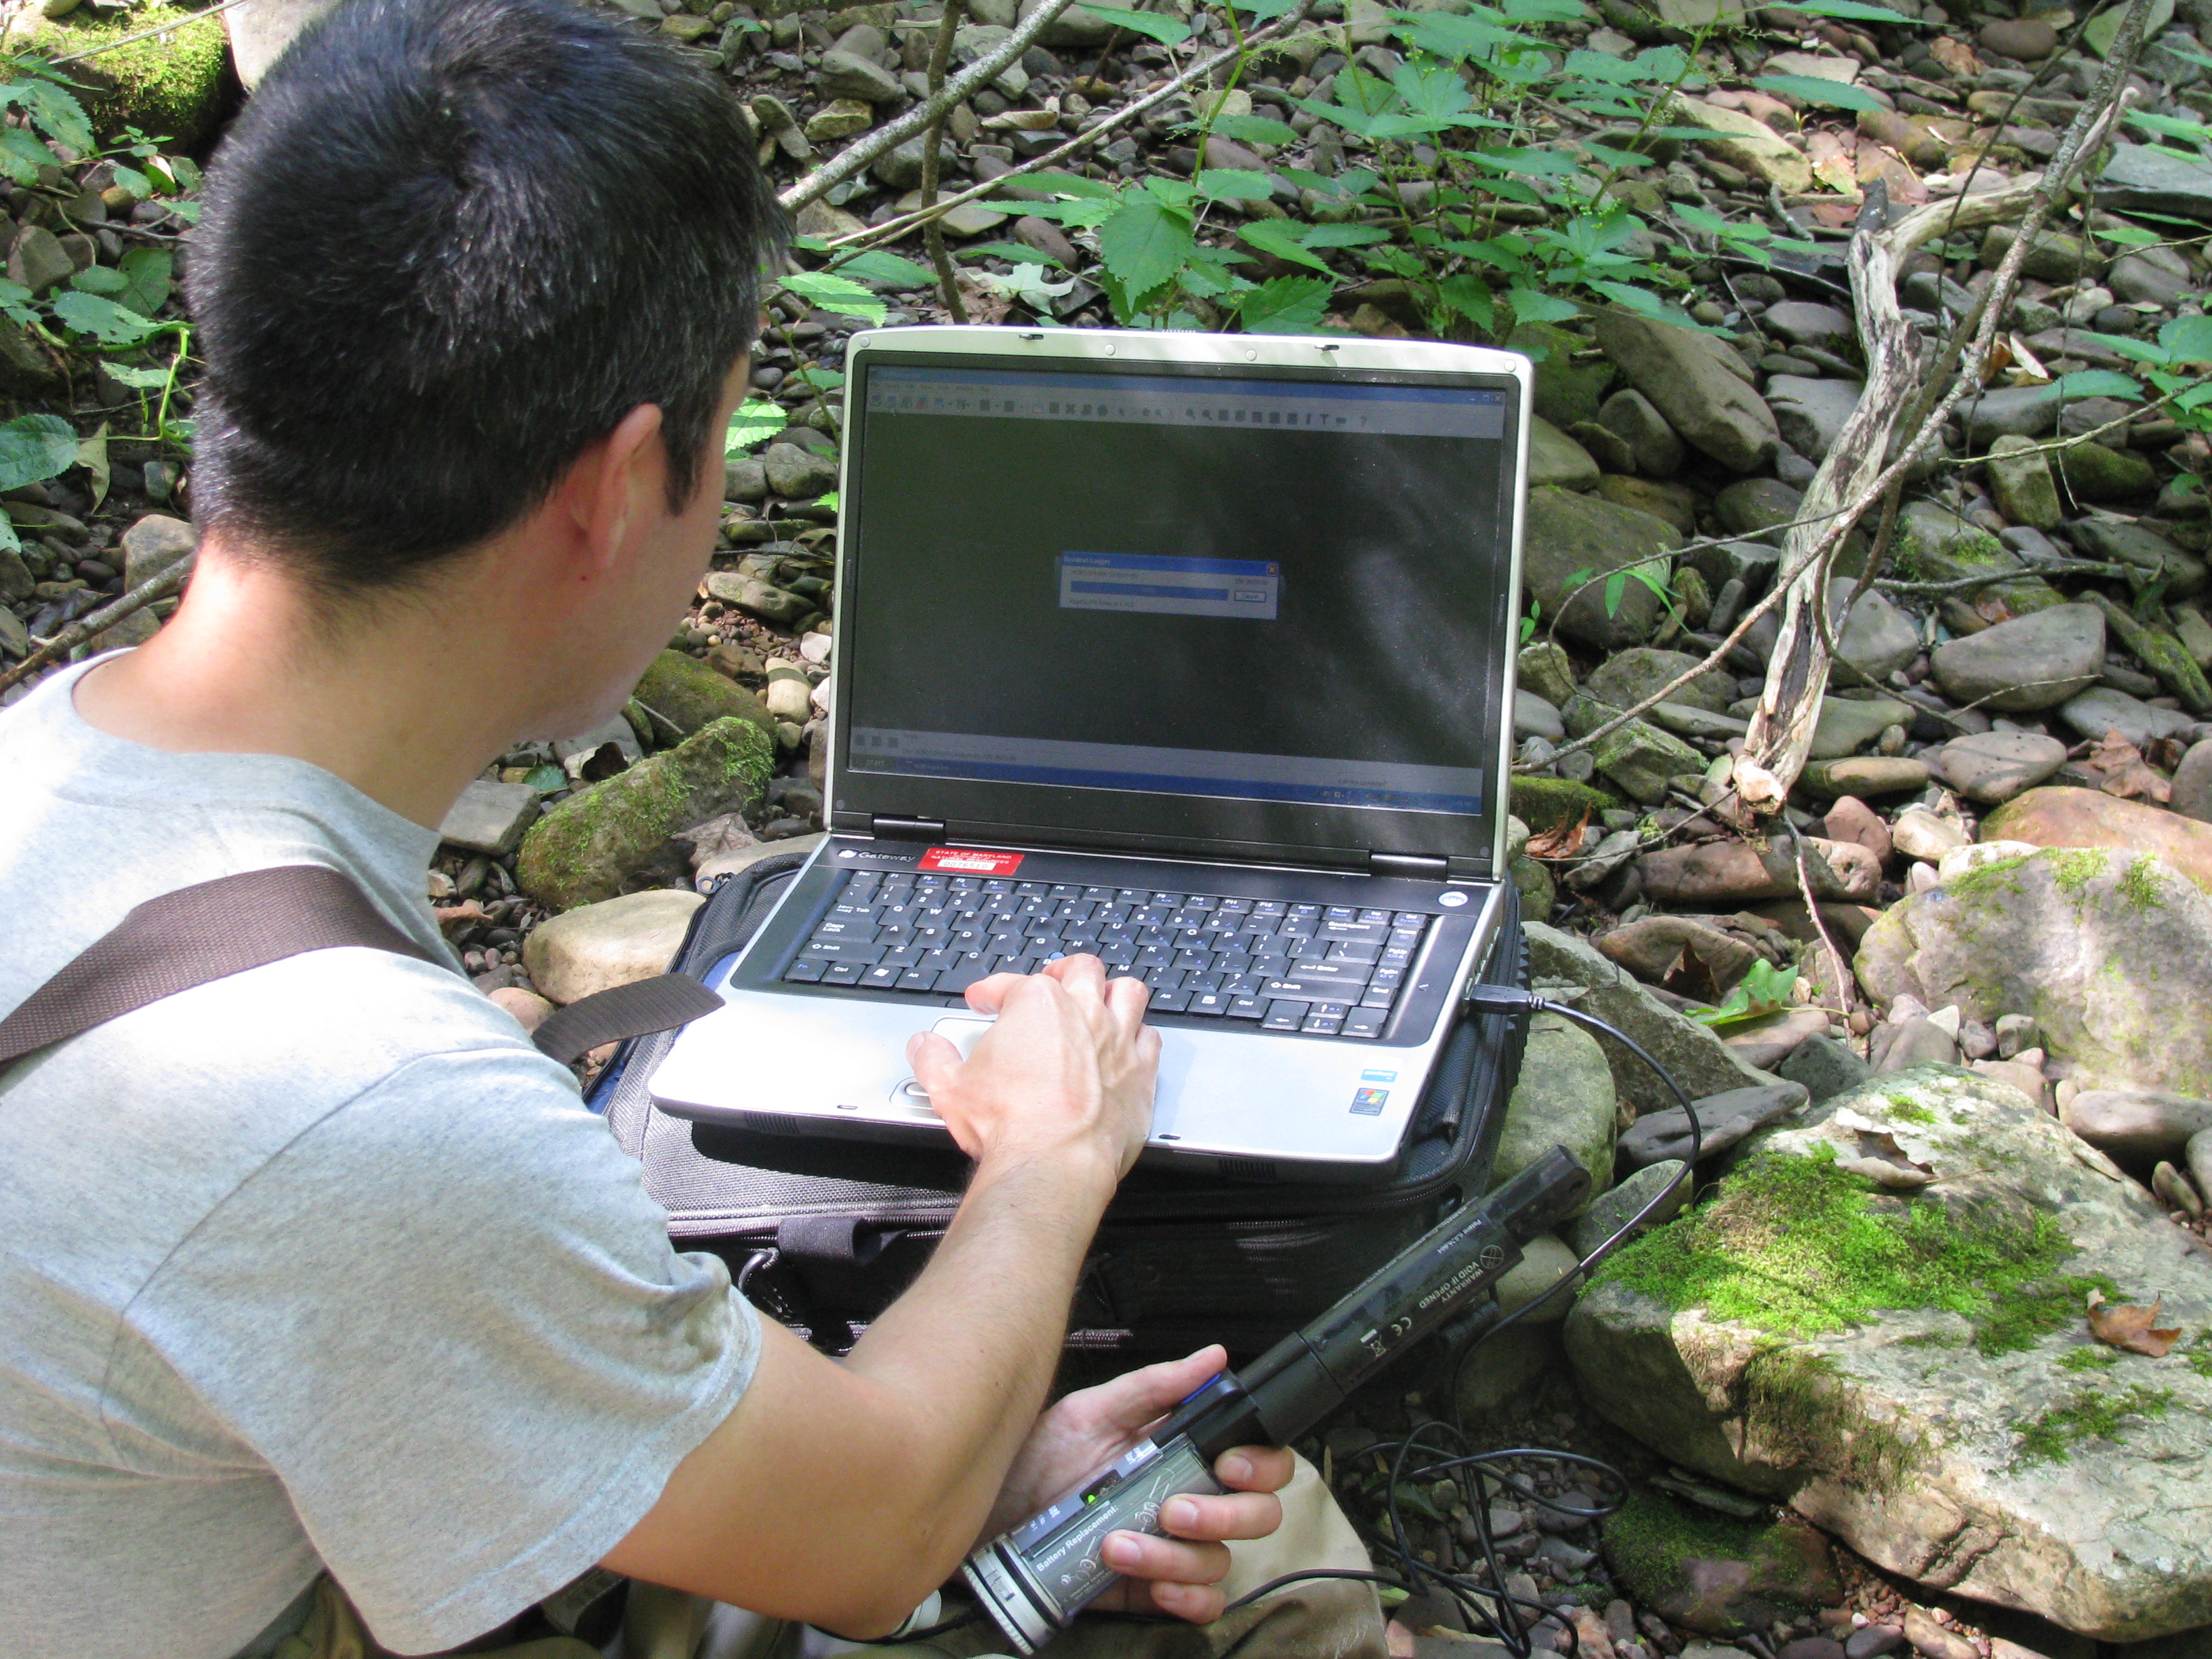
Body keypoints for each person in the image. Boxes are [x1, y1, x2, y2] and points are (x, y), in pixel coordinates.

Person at [0, 1, 1387, 1656]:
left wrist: (968, 1459)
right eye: (727, 434)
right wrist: (1052, 1153)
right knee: (1277, 1565)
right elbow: (872, 1539)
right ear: (615, 485)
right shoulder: (359, 1113)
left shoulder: (59, 746)